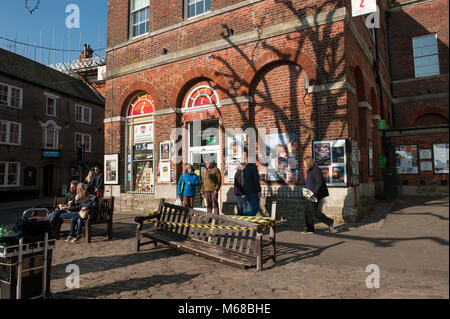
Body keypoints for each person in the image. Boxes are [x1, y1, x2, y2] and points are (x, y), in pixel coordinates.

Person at [303, 156, 335, 234]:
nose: (304, 165)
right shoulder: (309, 170)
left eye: (304, 163)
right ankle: (310, 229)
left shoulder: (316, 170)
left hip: (314, 194)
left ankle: (330, 222)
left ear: (308, 163)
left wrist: (314, 193)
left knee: (314, 212)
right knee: (307, 211)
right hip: (308, 193)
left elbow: (319, 183)